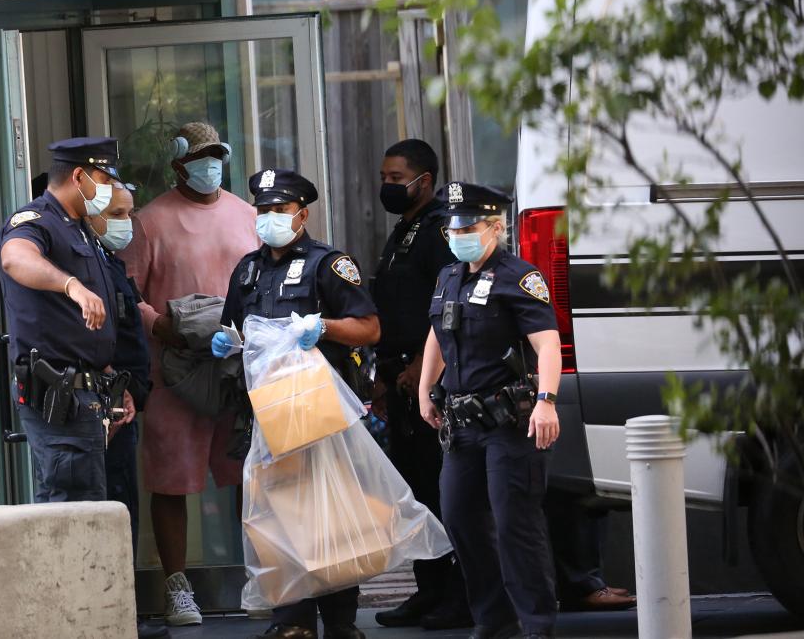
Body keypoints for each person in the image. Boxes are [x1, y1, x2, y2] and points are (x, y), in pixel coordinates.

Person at [213, 168, 381, 639]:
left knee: (330, 515)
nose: (268, 218)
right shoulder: (247, 269)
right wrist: (227, 341)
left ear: (301, 214)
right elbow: (235, 328)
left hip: (318, 407)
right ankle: (291, 620)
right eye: (261, 210)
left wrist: (323, 327)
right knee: (278, 513)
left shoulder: (328, 263)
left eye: (278, 210)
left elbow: (369, 327)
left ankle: (341, 621)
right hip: (266, 411)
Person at [119, 122, 259, 626]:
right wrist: (165, 330)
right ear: (178, 164)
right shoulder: (149, 221)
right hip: (176, 369)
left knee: (248, 470)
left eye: (216, 155)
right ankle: (178, 586)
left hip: (238, 365)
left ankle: (256, 574)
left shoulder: (248, 215)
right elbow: (126, 293)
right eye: (200, 157)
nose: (210, 165)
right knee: (172, 477)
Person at [419, 182, 561, 639]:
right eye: (451, 227)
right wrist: (426, 389)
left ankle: (537, 623)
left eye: (467, 226)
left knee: (514, 522)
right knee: (460, 519)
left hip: (508, 424)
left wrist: (547, 402)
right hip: (460, 425)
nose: (457, 234)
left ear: (496, 227)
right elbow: (437, 336)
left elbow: (548, 345)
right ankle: (495, 619)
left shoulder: (520, 276)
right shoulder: (449, 277)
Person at [0, 136, 134, 503]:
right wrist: (70, 284)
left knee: (88, 502)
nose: (108, 191)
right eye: (104, 181)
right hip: (58, 393)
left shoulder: (80, 228)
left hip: (88, 390)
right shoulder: (36, 220)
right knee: (69, 504)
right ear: (79, 177)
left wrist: (109, 379)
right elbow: (14, 257)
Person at [369, 139, 471, 630]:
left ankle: (459, 595)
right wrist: (385, 376)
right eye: (384, 178)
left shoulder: (437, 231)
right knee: (416, 494)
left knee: (444, 492)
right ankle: (429, 590)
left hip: (431, 382)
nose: (386, 186)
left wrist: (419, 367)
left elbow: (446, 306)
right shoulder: (404, 231)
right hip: (400, 380)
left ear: (423, 180)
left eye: (395, 179)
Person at [86, 180, 171, 639]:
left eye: (129, 213)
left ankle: (123, 613)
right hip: (104, 406)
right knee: (103, 510)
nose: (127, 224)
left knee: (122, 511)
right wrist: (115, 391)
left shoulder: (107, 263)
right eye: (118, 214)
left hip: (124, 401)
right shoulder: (80, 263)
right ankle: (111, 618)